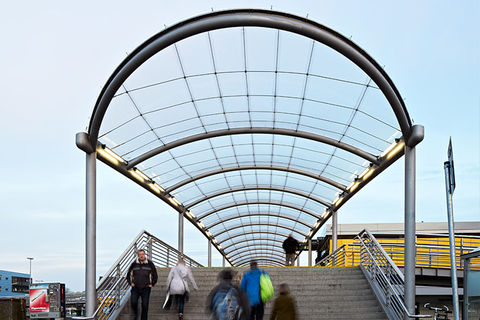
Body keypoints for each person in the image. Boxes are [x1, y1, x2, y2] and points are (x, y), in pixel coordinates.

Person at [126, 249, 158, 320]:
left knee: (145, 305)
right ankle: (136, 314)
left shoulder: (150, 264)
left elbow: (155, 275)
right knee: (133, 302)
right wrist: (130, 283)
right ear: (138, 255)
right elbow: (128, 275)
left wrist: (152, 284)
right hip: (135, 288)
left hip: (146, 288)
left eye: (143, 254)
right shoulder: (134, 264)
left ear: (145, 255)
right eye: (140, 254)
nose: (141, 256)